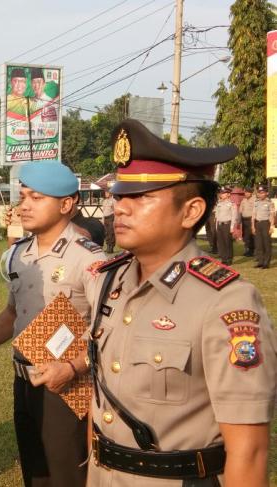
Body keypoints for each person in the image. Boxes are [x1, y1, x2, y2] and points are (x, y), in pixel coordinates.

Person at [88, 119, 276, 486]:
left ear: (190, 211)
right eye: (120, 195)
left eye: (139, 197)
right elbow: (101, 409)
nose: (120, 208)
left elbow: (248, 451)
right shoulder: (108, 282)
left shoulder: (225, 302)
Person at [0, 160, 105, 487]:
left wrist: (74, 367)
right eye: (23, 197)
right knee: (35, 475)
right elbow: (11, 315)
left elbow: (110, 330)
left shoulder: (89, 259)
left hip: (68, 386)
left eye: (36, 198)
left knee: (67, 477)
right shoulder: (21, 254)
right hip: (24, 380)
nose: (25, 206)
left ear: (66, 204)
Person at [252, 184, 275, 269]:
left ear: (266, 193)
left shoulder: (269, 203)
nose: (260, 194)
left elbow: (272, 215)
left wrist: (271, 226)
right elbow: (253, 215)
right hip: (257, 224)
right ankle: (260, 262)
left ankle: (266, 263)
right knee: (259, 244)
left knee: (266, 244)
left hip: (266, 224)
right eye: (259, 192)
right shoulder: (256, 202)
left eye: (262, 192)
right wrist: (253, 226)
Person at [214, 186, 237, 265]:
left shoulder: (231, 204)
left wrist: (232, 227)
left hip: (227, 224)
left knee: (228, 242)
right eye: (221, 193)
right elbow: (217, 215)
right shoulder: (219, 203)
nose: (221, 195)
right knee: (221, 242)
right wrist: (216, 225)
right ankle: (223, 258)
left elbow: (234, 216)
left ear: (228, 194)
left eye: (223, 193)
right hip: (220, 224)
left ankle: (229, 259)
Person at [239, 187, 255, 257]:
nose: (245, 194)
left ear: (251, 193)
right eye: (245, 192)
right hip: (244, 220)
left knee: (252, 236)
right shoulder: (243, 200)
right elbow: (240, 210)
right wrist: (239, 220)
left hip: (251, 219)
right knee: (245, 236)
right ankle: (247, 250)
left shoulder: (254, 200)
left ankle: (253, 251)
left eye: (247, 192)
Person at [101, 189, 115, 253]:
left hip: (111, 217)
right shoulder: (104, 201)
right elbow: (103, 211)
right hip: (105, 218)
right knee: (106, 233)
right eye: (105, 193)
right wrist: (102, 219)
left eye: (107, 193)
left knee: (111, 233)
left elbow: (115, 210)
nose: (106, 194)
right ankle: (107, 246)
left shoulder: (113, 201)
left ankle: (111, 247)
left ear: (110, 193)